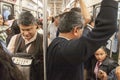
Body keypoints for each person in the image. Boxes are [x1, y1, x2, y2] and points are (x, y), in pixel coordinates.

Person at [46, 0, 118, 80]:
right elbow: (108, 26)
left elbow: (86, 19)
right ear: (76, 30)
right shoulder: (69, 50)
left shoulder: (55, 42)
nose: (82, 32)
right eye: (82, 29)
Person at [7, 11, 43, 80]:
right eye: (22, 30)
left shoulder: (44, 40)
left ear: (36, 25)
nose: (26, 33)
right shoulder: (15, 39)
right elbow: (9, 62)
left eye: (29, 29)